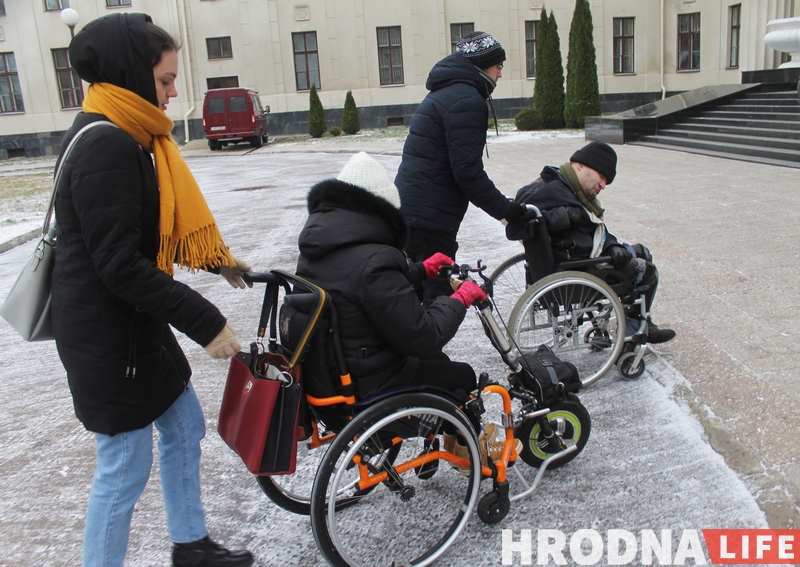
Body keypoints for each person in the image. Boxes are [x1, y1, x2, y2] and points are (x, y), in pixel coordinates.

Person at [52, 13, 254, 567]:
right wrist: (206, 321)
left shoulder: (129, 134)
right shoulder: (107, 145)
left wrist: (216, 260)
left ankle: (191, 546)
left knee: (184, 426)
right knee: (123, 467)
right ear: (132, 75)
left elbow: (146, 231)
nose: (172, 93)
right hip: (106, 337)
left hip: (133, 326)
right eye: (165, 80)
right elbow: (119, 265)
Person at [296, 152, 521, 463]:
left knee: (436, 362)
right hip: (371, 389)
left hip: (331, 380)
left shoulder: (322, 247)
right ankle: (466, 446)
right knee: (461, 375)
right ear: (382, 208)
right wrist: (459, 299)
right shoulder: (375, 260)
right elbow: (423, 335)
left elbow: (361, 286)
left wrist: (420, 270)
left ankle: (452, 435)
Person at [394, 31, 528, 305]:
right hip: (431, 220)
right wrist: (508, 211)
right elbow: (468, 173)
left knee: (412, 300)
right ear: (482, 65)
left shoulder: (446, 92)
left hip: (412, 211)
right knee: (439, 302)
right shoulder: (467, 100)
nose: (500, 74)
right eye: (498, 66)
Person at [510, 141, 676, 344]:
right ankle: (633, 336)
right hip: (577, 269)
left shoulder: (568, 186)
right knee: (646, 271)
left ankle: (644, 323)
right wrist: (564, 216)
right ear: (580, 165)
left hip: (583, 256)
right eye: (602, 177)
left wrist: (612, 245)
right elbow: (516, 224)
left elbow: (593, 227)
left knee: (643, 251)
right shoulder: (548, 189)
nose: (603, 185)